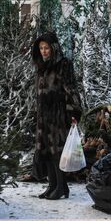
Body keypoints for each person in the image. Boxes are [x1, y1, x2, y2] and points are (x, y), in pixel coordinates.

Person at [31, 32, 82, 200]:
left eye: (46, 48)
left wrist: (73, 111)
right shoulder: (41, 66)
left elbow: (71, 88)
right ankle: (53, 185)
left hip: (59, 115)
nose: (44, 51)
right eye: (41, 48)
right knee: (46, 150)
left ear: (53, 48)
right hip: (44, 116)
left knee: (57, 151)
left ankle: (61, 187)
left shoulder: (63, 64)